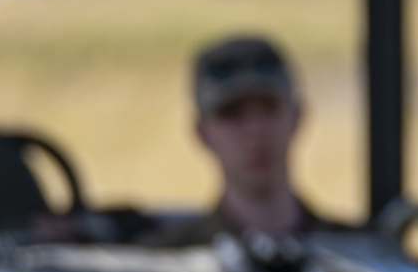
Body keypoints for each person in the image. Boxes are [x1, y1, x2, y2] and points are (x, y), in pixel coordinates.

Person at [140, 35, 350, 248]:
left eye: (269, 108)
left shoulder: (357, 254)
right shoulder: (171, 263)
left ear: (297, 116)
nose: (255, 131)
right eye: (232, 114)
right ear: (201, 133)